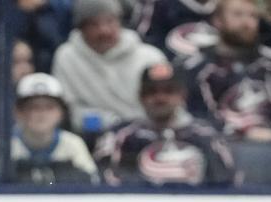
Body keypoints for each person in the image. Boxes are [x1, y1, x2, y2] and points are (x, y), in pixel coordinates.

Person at [181, 0, 271, 140]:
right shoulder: (199, 66)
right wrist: (243, 131)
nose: (247, 22)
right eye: (238, 15)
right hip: (223, 141)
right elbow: (200, 116)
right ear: (218, 21)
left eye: (253, 16)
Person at [94, 61, 237, 185]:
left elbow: (227, 182)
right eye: (152, 91)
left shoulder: (207, 136)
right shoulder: (119, 136)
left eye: (169, 91)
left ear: (182, 95)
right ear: (141, 97)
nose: (160, 98)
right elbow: (101, 181)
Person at [52, 0, 167, 134]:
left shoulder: (150, 56)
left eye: (110, 21)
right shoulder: (66, 57)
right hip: (97, 135)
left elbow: (169, 99)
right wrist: (114, 124)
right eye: (94, 24)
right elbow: (70, 109)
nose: (104, 30)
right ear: (81, 28)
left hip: (150, 131)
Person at [0, 72, 99, 185]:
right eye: (34, 107)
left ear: (61, 113)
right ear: (18, 112)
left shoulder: (73, 144)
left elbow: (92, 182)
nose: (42, 114)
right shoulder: (1, 146)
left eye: (49, 107)